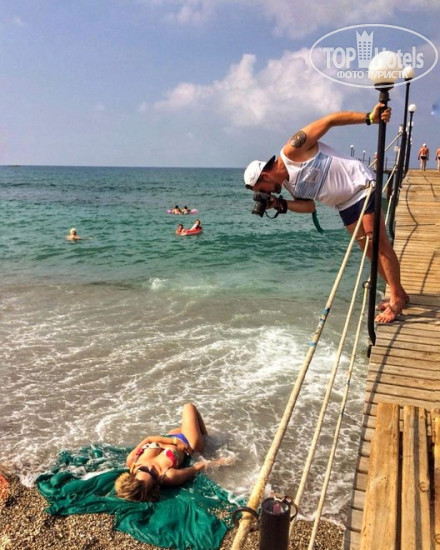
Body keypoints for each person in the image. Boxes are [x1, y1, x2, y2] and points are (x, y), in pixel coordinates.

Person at [243, 102, 408, 324]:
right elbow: (309, 207)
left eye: (261, 190)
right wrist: (281, 204)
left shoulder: (293, 150)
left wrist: (370, 117)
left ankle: (396, 299)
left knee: (377, 242)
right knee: (368, 250)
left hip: (361, 185)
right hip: (344, 205)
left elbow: (329, 120)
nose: (264, 194)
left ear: (264, 176)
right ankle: (399, 292)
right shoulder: (288, 185)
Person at [115, 403, 234, 502]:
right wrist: (222, 461)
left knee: (195, 423)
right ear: (152, 486)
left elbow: (149, 439)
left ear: (133, 476)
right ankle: (205, 439)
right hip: (189, 442)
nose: (150, 468)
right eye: (152, 474)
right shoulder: (169, 476)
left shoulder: (132, 460)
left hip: (172, 436)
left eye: (144, 469)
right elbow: (197, 467)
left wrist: (174, 441)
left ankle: (206, 437)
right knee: (189, 407)